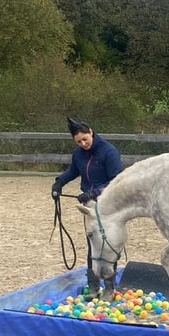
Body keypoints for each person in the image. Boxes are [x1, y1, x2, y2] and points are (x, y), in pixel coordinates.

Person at [51, 117, 123, 299]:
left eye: (85, 139)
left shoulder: (109, 151)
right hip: (89, 206)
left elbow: (116, 181)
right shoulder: (78, 154)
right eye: (79, 142)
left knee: (106, 245)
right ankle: (93, 286)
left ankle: (109, 287)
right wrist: (60, 182)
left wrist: (95, 192)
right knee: (93, 244)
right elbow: (73, 171)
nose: (83, 144)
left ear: (91, 132)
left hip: (108, 205)